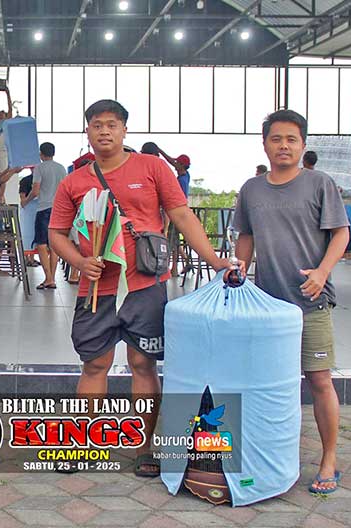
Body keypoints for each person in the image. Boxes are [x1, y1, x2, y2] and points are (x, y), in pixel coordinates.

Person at [49, 99, 242, 477]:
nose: (104, 131)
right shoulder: (74, 181)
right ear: (87, 131)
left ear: (125, 130)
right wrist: (79, 262)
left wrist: (214, 259)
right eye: (97, 125)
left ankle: (144, 447)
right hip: (97, 289)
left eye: (112, 124)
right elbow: (56, 233)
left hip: (145, 285)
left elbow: (181, 215)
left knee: (142, 363)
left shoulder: (152, 168)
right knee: (94, 364)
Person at [233, 109, 349, 495]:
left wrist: (322, 272)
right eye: (276, 139)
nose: (283, 146)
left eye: (291, 139)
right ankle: (267, 455)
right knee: (265, 383)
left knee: (319, 380)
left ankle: (329, 458)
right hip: (267, 308)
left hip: (310, 302)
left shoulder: (319, 184)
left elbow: (340, 234)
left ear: (302, 145)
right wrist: (239, 269)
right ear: (264, 144)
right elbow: (246, 237)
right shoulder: (251, 189)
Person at [29, 142, 67, 289]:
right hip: (59, 210)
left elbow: (35, 191)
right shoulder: (61, 168)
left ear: (41, 154)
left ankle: (48, 278)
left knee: (41, 244)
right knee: (54, 244)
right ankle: (52, 278)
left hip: (44, 209)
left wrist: (26, 201)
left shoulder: (39, 168)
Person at [159, 150, 192, 275]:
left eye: (178, 163)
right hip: (180, 211)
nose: (175, 164)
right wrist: (161, 151)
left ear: (182, 165)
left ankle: (173, 268)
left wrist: (159, 151)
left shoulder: (180, 180)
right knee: (175, 239)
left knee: (172, 239)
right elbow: (172, 162)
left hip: (177, 211)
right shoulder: (186, 175)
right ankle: (184, 262)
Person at [19, 170, 39, 267]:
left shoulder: (25, 180)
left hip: (32, 209)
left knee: (29, 234)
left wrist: (25, 201)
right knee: (29, 234)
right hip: (29, 210)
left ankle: (30, 258)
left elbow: (22, 197)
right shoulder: (27, 180)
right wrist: (26, 201)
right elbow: (23, 198)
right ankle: (28, 258)